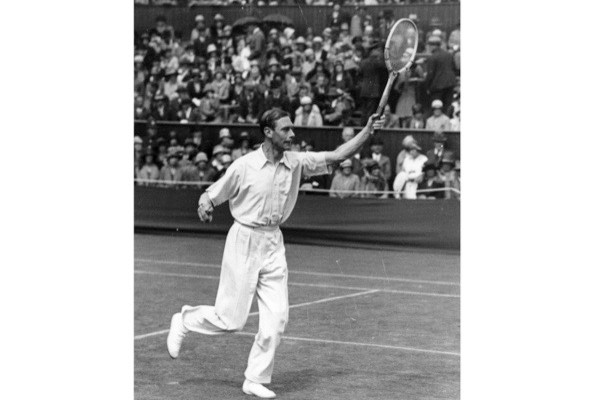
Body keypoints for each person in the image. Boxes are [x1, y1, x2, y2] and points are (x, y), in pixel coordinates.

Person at [166, 109, 385, 399]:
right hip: (243, 240)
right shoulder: (243, 166)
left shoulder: (296, 162)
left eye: (291, 129)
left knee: (277, 317)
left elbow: (335, 156)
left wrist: (367, 132)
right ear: (268, 133)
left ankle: (254, 378)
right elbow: (211, 194)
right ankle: (185, 320)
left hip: (273, 243)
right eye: (285, 130)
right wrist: (205, 204)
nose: (292, 134)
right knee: (231, 321)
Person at [423, 35, 457, 115]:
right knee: (448, 108)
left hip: (437, 87)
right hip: (450, 85)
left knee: (436, 108)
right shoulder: (449, 54)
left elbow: (430, 74)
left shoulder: (432, 57)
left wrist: (427, 87)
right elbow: (453, 68)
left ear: (432, 46)